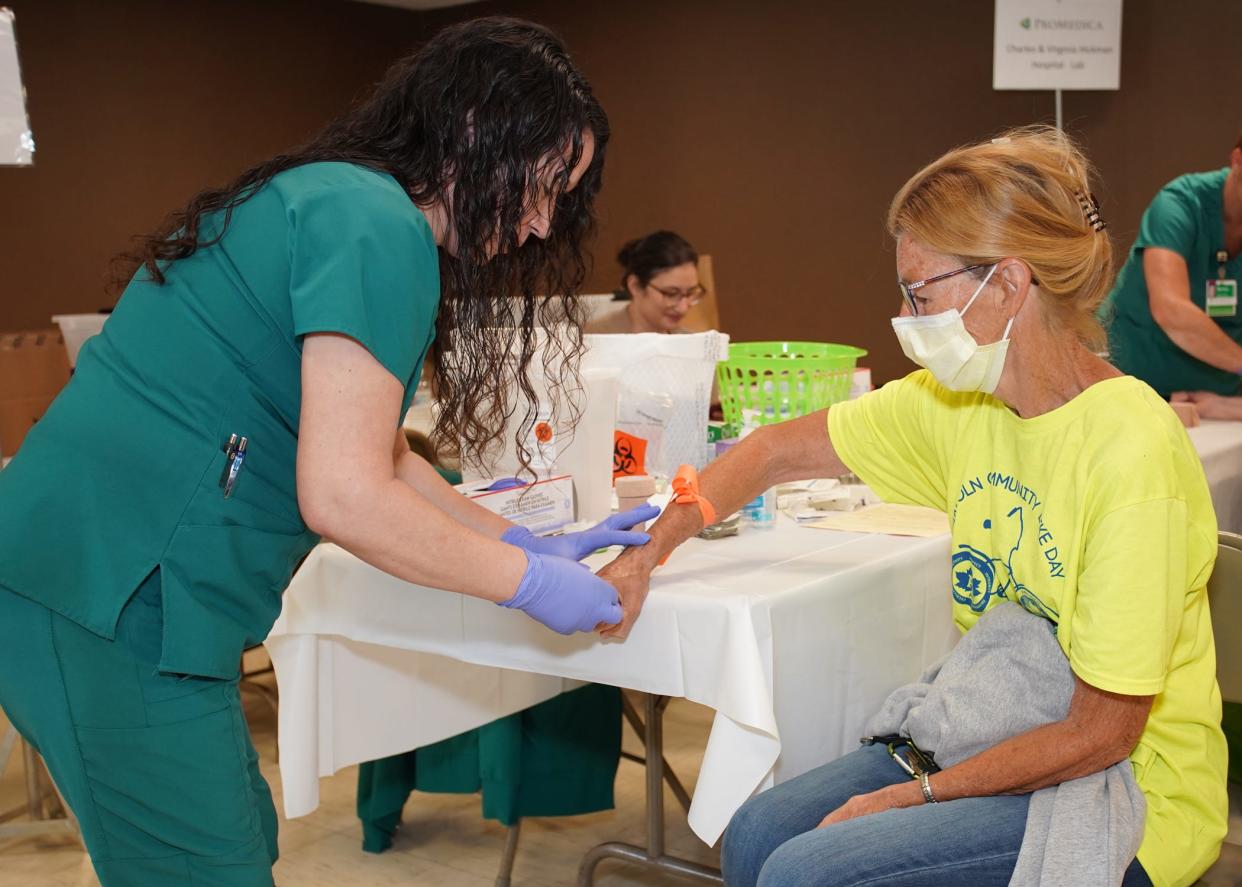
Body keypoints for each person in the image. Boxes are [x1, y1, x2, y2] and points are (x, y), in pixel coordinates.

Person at [0, 18, 656, 886]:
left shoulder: (345, 201)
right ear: (471, 136)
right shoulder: (375, 225)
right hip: (104, 588)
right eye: (537, 186)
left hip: (103, 581)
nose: (539, 224)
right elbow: (344, 496)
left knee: (240, 840)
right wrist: (529, 586)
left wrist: (519, 540)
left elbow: (388, 458)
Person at [598, 127, 1227, 887]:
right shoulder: (959, 402)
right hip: (1008, 718)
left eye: (920, 292)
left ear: (1007, 284)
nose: (904, 313)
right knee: (757, 830)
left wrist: (914, 795)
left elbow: (1102, 732)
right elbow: (770, 450)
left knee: (809, 871)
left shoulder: (1129, 449)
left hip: (1126, 781)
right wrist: (644, 555)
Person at [1105, 132, 1242, 398]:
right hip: (1133, 381)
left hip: (1216, 403)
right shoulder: (1180, 204)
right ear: (1238, 159)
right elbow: (1170, 310)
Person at [585, 229, 705, 334]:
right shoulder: (593, 340)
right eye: (671, 294)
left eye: (690, 293)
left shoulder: (688, 343)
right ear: (635, 286)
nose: (683, 308)